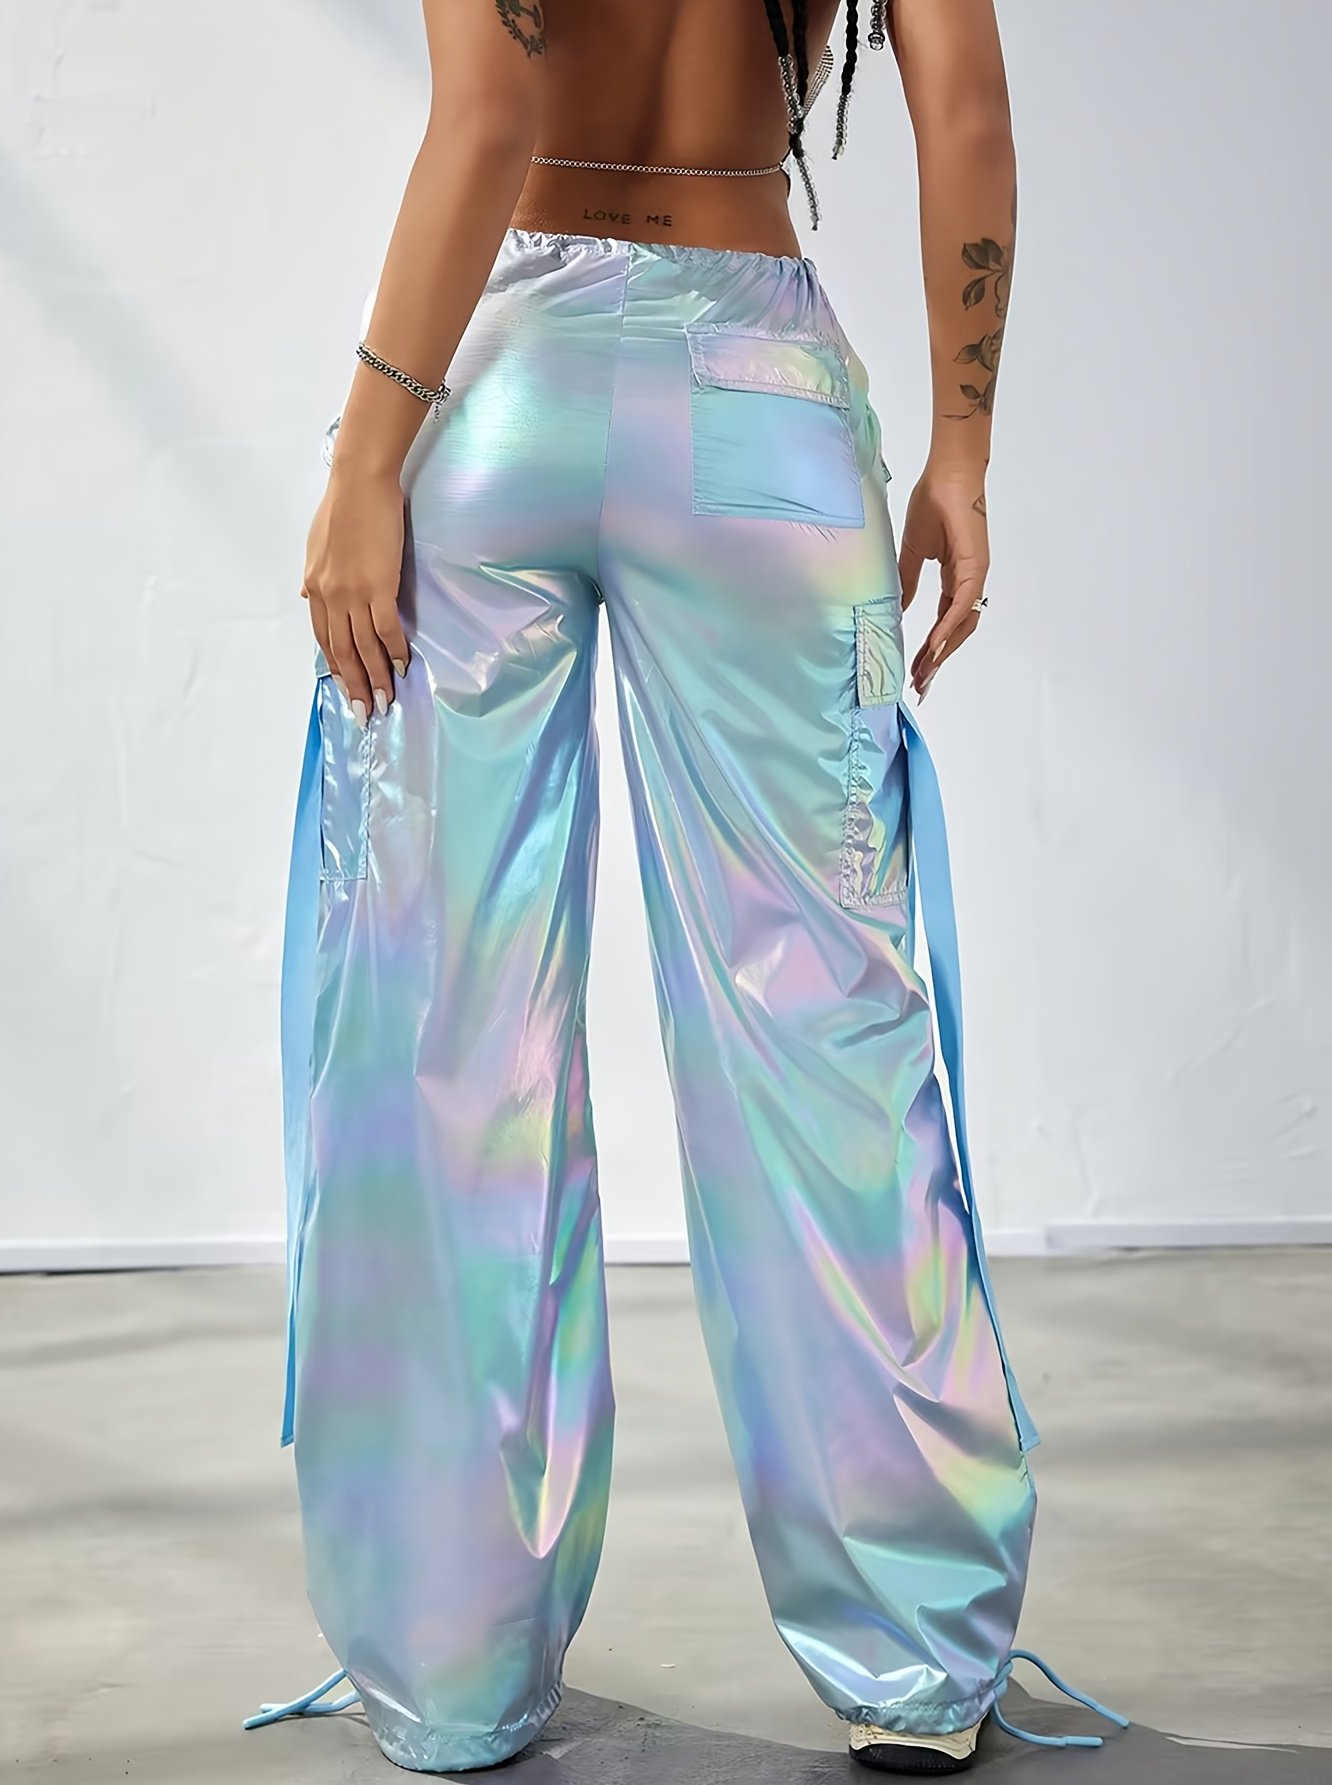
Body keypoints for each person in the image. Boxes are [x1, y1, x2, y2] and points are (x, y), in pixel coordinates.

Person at [245, 0, 1127, 1774]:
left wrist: (360, 465)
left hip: (492, 397)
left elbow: (486, 120)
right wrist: (959, 452)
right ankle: (916, 1655)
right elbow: (965, 100)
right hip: (756, 397)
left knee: (441, 1029)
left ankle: (452, 1664)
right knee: (826, 1026)